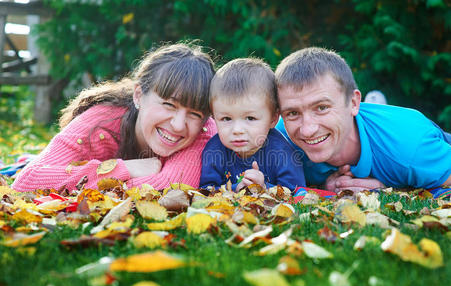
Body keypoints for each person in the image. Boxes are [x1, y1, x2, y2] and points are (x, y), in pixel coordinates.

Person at [12, 43, 216, 192]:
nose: (179, 125)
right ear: (138, 96)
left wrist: (76, 183)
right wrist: (123, 169)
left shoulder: (203, 130)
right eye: (169, 104)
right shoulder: (102, 120)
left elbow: (171, 187)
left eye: (194, 113)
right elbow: (27, 181)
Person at [274, 47, 451, 193]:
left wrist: (394, 190)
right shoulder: (279, 138)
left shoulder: (410, 146)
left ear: (353, 103)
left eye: (321, 108)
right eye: (292, 113)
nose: (307, 130)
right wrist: (323, 187)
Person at [199, 58, 305, 192]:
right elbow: (205, 189)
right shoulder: (214, 151)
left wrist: (265, 188)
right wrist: (235, 189)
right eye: (226, 118)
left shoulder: (282, 152)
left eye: (250, 118)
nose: (237, 130)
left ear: (273, 119)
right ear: (214, 117)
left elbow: (297, 191)